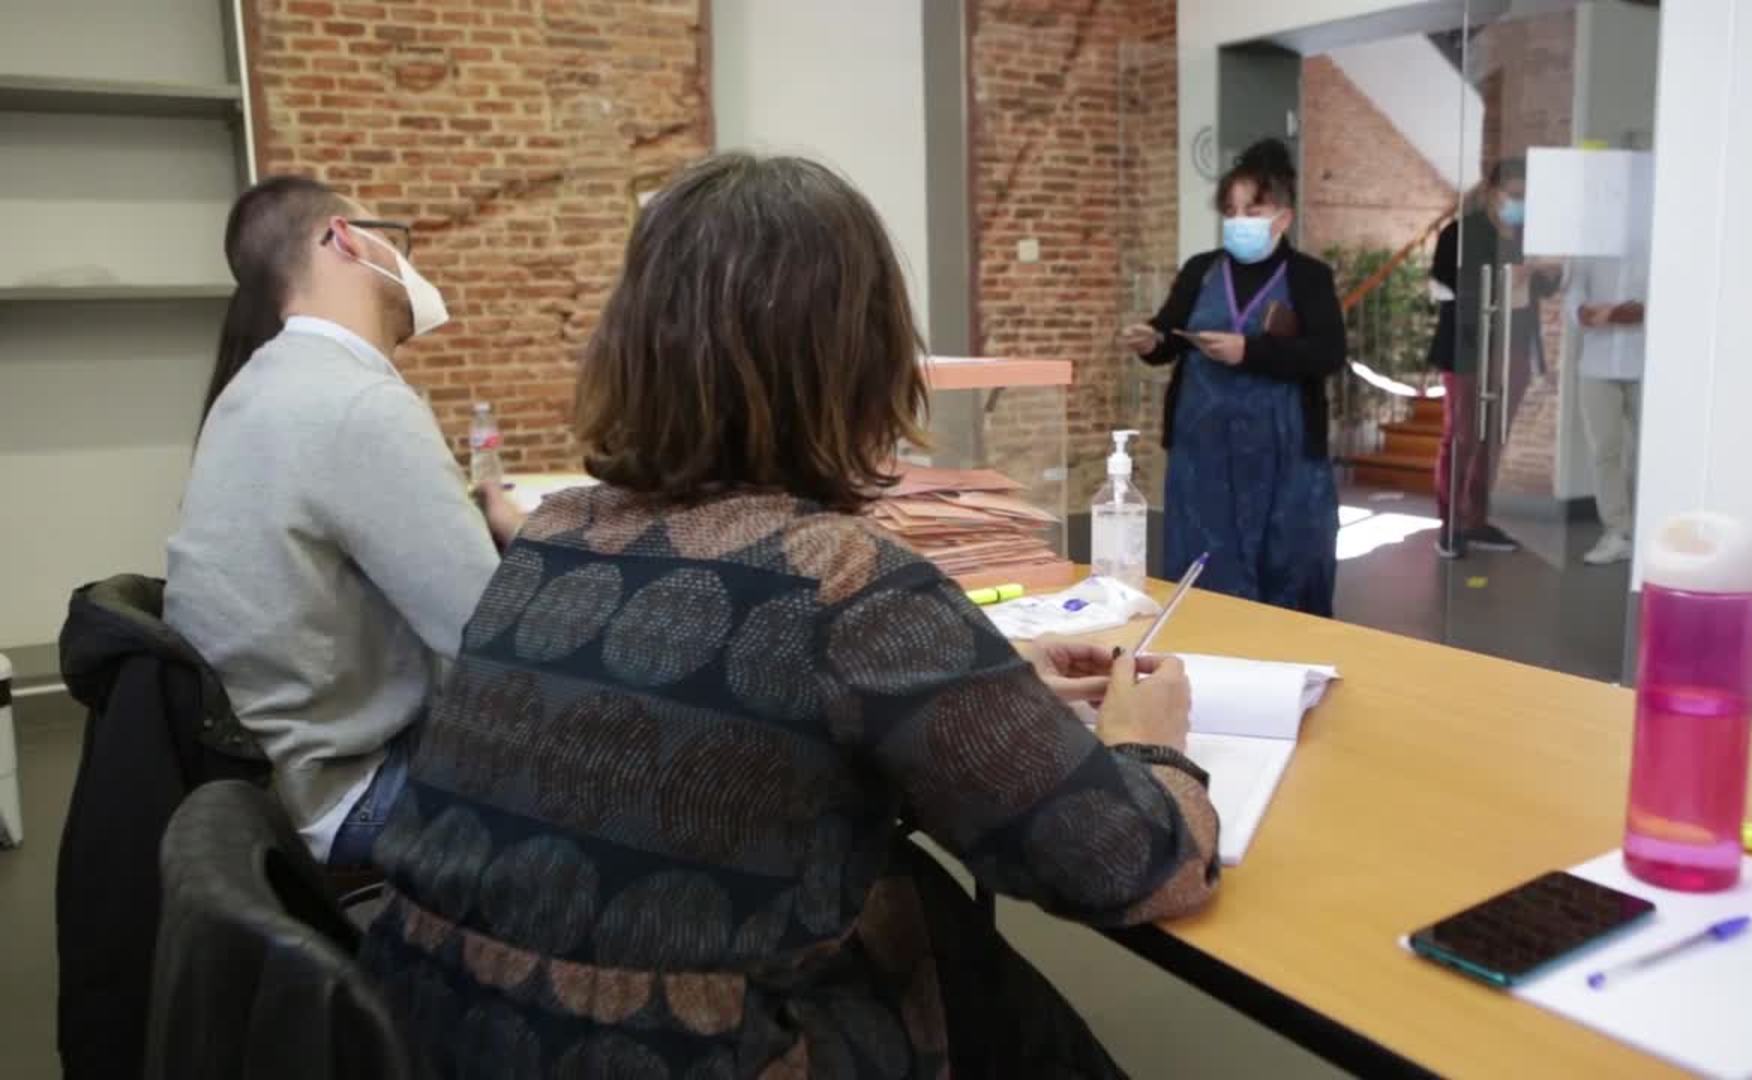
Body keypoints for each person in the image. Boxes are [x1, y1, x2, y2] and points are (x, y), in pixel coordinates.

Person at [359, 154, 1218, 1078]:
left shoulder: (552, 535)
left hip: (432, 1031)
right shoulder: (845, 580)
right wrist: (1149, 745)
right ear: (865, 359)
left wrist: (977, 696)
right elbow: (1128, 862)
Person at [165, 176, 524, 868]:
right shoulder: (356, 402)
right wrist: (530, 542)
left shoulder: (256, 386)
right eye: (395, 240)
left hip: (272, 781)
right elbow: (495, 640)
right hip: (350, 791)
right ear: (346, 239)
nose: (408, 264)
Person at [1120, 138, 1345, 616]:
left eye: (1252, 210)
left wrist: (1251, 351)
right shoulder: (1201, 270)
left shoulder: (1309, 277)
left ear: (1282, 218)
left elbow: (1328, 354)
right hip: (1204, 447)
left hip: (1284, 451)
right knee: (1205, 561)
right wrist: (1152, 341)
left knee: (1289, 561)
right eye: (1231, 211)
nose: (1239, 221)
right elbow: (1170, 334)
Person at [1425, 157, 1561, 559]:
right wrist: (1504, 277)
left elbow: (1541, 291)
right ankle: (1450, 523)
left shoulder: (1528, 234)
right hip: (1468, 346)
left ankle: (1477, 517)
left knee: (1494, 435)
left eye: (1526, 197)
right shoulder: (1460, 233)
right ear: (1492, 193)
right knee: (1463, 435)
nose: (1520, 204)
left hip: (1512, 343)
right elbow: (1445, 283)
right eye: (1514, 195)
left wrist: (1547, 275)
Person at [1563, 251, 1648, 565]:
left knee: (1646, 453)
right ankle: (1618, 532)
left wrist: (1613, 313)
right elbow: (1574, 297)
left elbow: (1657, 305)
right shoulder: (1592, 250)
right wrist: (1584, 313)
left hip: (1647, 367)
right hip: (1596, 366)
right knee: (1604, 452)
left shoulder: (1652, 246)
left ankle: (1645, 527)